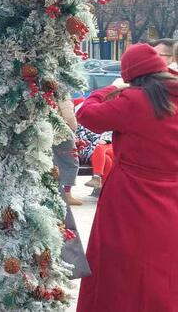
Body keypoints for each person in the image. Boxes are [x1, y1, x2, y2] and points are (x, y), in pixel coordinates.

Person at [76, 43, 178, 312]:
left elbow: (86, 114)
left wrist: (110, 89)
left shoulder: (134, 101)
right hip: (172, 199)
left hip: (129, 197)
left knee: (118, 268)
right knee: (165, 267)